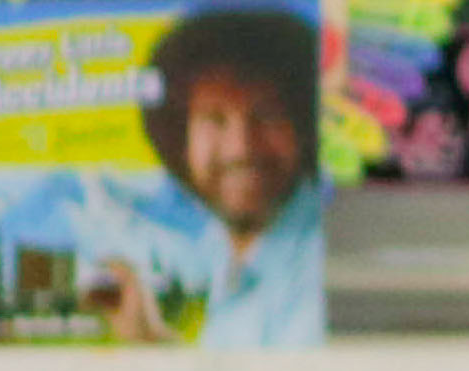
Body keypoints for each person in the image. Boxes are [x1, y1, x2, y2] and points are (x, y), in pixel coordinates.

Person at [117, 8, 324, 346]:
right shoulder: (221, 250)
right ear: (181, 141)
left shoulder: (319, 263)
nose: (240, 148)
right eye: (214, 119)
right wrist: (151, 344)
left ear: (303, 126)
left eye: (267, 115)